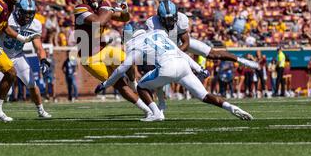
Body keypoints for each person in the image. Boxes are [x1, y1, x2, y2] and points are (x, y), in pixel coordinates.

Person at [96, 29, 253, 122]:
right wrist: (198, 68)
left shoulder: (136, 44)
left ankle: (156, 113)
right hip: (183, 65)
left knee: (142, 86)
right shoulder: (159, 35)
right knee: (204, 95)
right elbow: (180, 52)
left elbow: (122, 69)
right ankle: (230, 107)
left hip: (167, 68)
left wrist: (106, 84)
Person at [74, 0, 152, 117]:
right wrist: (110, 10)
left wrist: (124, 9)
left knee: (127, 59)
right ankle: (147, 110)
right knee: (118, 83)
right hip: (90, 57)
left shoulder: (103, 6)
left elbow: (124, 18)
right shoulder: (81, 9)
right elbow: (100, 22)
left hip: (104, 50)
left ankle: (134, 83)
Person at [145, 0, 259, 70]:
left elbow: (186, 42)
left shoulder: (181, 19)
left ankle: (242, 61)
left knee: (213, 54)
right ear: (159, 17)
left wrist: (175, 53)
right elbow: (154, 46)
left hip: (178, 43)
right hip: (162, 49)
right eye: (167, 19)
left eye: (171, 19)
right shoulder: (152, 23)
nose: (170, 22)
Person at [0, 0, 51, 118]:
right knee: (7, 91)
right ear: (18, 10)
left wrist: (43, 61)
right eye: (26, 13)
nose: (28, 16)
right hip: (1, 55)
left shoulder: (35, 24)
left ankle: (41, 110)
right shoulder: (9, 19)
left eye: (31, 13)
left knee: (31, 83)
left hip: (18, 55)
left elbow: (38, 47)